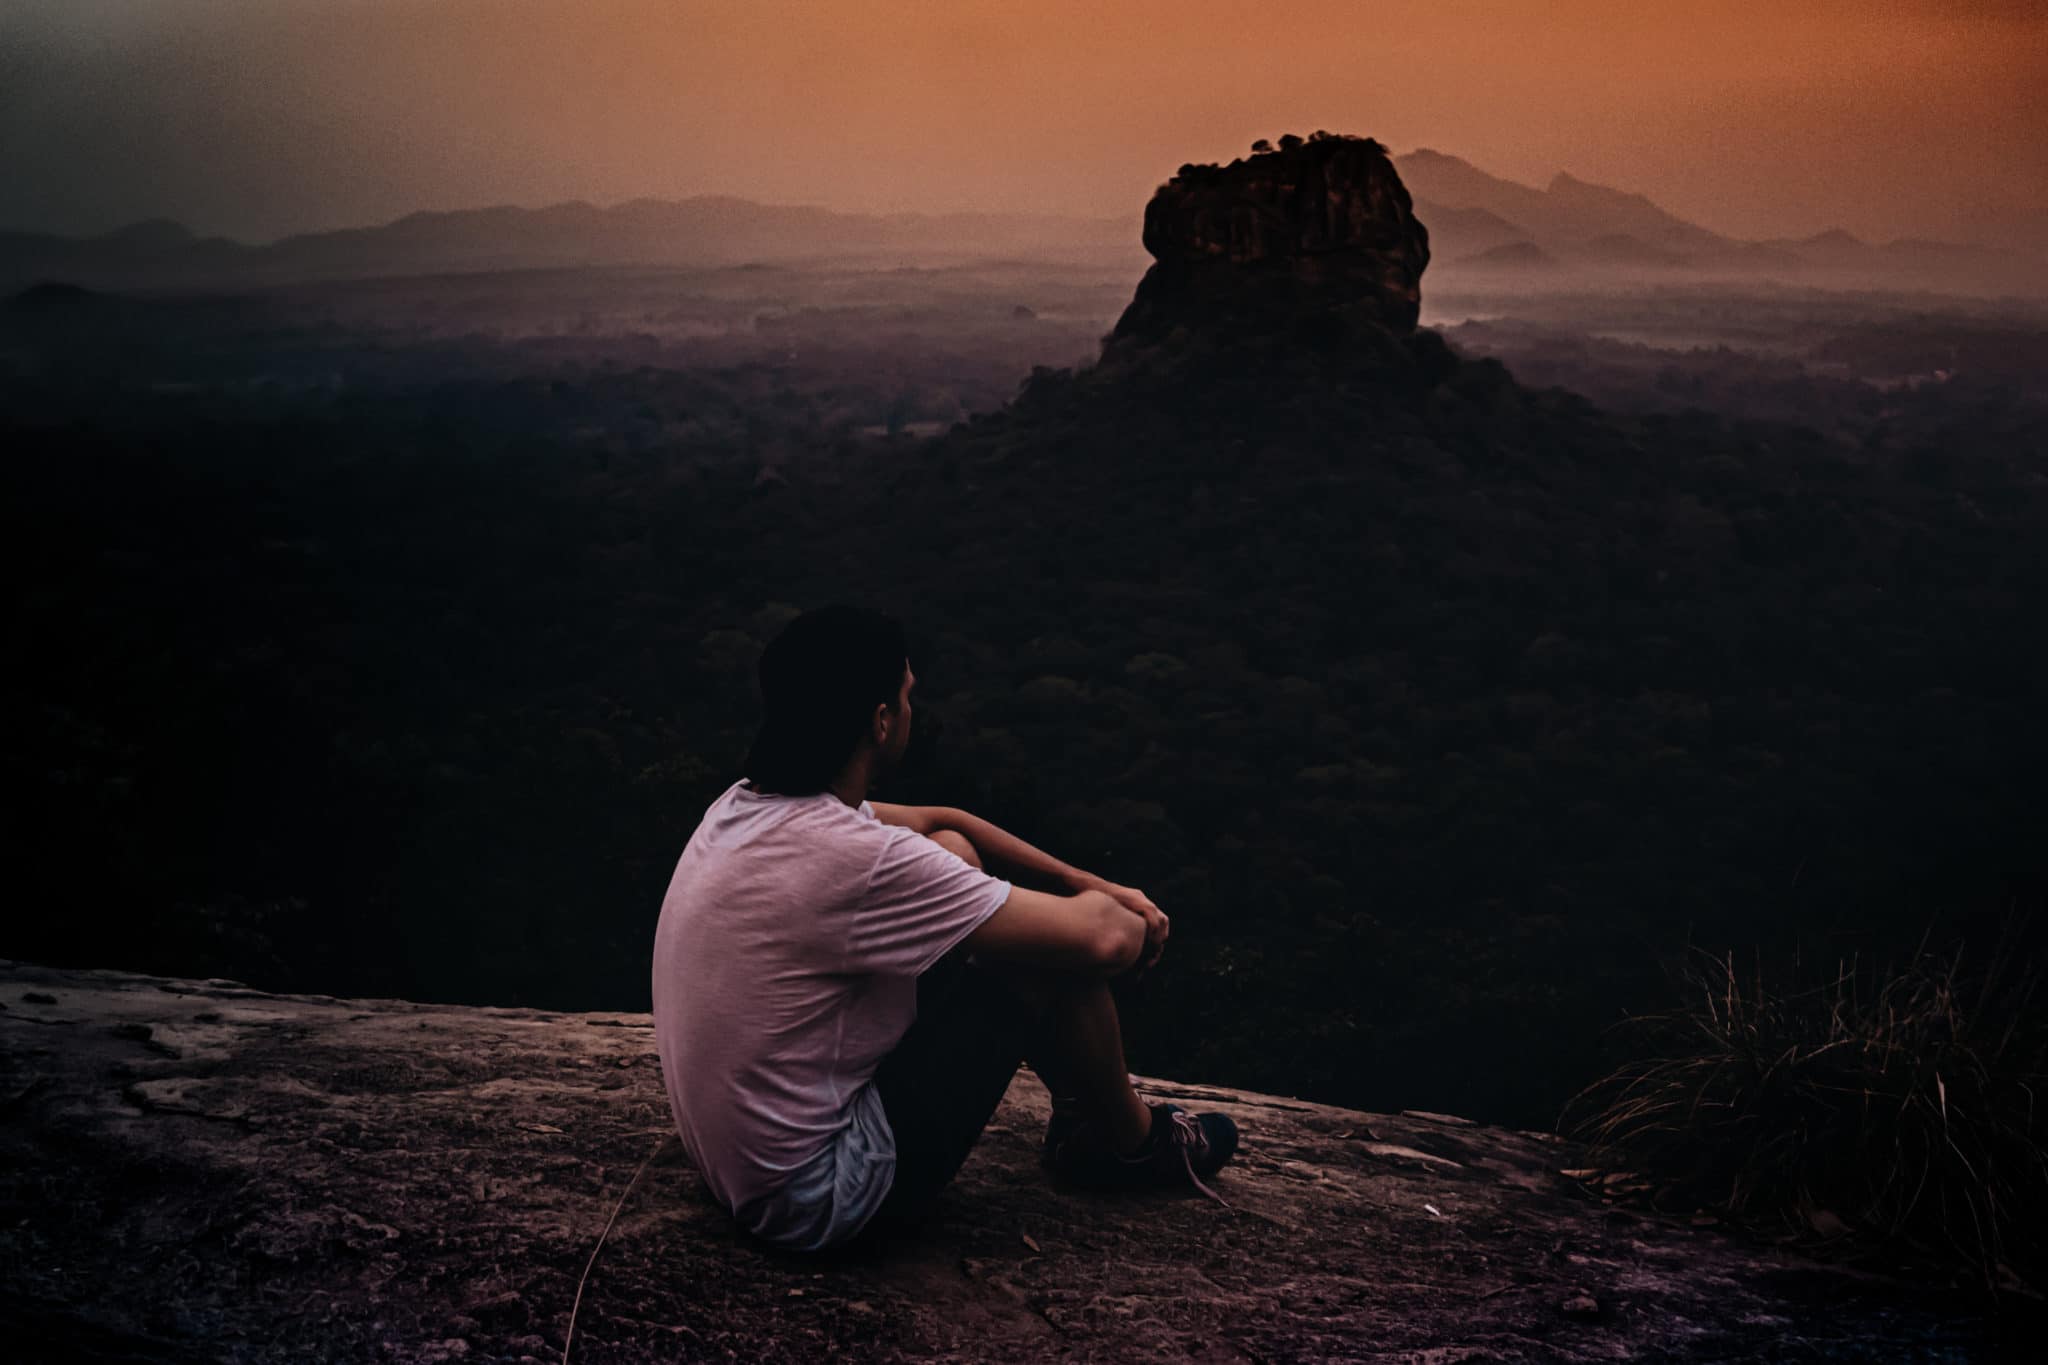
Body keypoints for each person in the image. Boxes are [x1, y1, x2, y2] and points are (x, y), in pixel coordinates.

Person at [650, 604, 1239, 1252]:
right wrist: (1124, 915)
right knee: (1040, 955)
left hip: (744, 1170)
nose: (911, 710)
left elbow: (943, 819)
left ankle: (1085, 1108)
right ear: (880, 721)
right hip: (818, 1199)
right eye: (906, 696)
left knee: (959, 856)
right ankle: (1129, 1144)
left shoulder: (750, 803)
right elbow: (1105, 940)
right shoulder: (856, 860)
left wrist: (1087, 881)